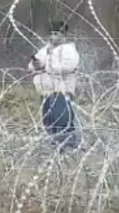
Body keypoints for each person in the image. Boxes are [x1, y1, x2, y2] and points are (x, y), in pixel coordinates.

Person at [29, 21, 81, 151]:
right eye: (52, 33)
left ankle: (67, 144)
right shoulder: (45, 50)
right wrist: (36, 64)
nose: (54, 37)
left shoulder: (69, 50)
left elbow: (68, 67)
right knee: (49, 118)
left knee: (62, 117)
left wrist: (47, 67)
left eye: (57, 33)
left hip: (62, 89)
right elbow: (32, 65)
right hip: (46, 90)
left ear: (64, 35)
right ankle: (53, 142)